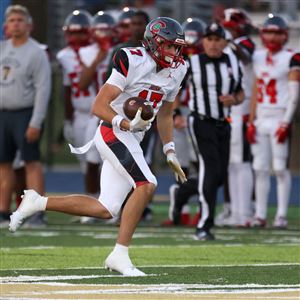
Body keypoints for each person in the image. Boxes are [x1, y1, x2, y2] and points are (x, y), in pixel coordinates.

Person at [9, 17, 188, 277]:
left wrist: (169, 150)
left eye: (177, 47)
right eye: (169, 46)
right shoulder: (132, 58)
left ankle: (37, 202)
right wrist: (124, 123)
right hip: (112, 131)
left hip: (132, 136)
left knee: (106, 209)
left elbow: (165, 113)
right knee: (147, 183)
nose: (173, 53)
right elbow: (98, 106)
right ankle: (120, 254)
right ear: (153, 42)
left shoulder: (179, 69)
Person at [187, 23, 244, 240]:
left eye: (216, 39)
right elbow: (174, 91)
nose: (212, 43)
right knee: (210, 169)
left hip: (224, 122)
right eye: (208, 39)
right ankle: (204, 225)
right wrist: (175, 116)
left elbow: (240, 93)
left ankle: (183, 191)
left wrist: (234, 99)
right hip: (201, 121)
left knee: (219, 175)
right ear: (203, 41)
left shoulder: (232, 62)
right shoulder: (192, 63)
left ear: (224, 42)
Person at [247, 15, 300, 229]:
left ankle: (281, 215)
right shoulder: (258, 56)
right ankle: (260, 214)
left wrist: (287, 122)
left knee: (279, 168)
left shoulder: (291, 57)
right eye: (268, 32)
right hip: (261, 117)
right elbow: (255, 90)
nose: (272, 36)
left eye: (276, 32)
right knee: (259, 168)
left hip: (279, 116)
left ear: (285, 35)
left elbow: (294, 94)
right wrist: (251, 121)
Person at [0, 5, 51, 226]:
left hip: (25, 112)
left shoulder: (36, 52)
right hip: (3, 113)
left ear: (29, 25)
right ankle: (3, 209)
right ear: (6, 26)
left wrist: (36, 121)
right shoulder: (2, 49)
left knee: (31, 162)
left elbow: (43, 88)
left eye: (20, 20)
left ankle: (37, 210)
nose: (16, 24)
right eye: (12, 20)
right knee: (3, 163)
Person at [162, 17, 206, 227]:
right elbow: (174, 89)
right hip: (183, 114)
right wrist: (177, 112)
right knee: (181, 164)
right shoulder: (179, 62)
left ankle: (201, 209)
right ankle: (183, 210)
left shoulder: (205, 60)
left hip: (200, 114)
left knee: (200, 163)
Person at [215, 8, 256, 227]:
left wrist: (229, 41)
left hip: (242, 109)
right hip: (229, 110)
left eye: (230, 27)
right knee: (232, 164)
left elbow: (246, 57)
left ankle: (244, 212)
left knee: (242, 162)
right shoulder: (226, 47)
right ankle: (235, 211)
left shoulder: (245, 44)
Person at [77, 11, 116, 223]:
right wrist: (99, 58)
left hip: (120, 110)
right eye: (99, 29)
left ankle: (113, 206)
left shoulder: (123, 50)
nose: (103, 33)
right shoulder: (87, 52)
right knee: (92, 161)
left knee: (115, 162)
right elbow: (82, 84)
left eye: (107, 29)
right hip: (99, 109)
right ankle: (92, 204)